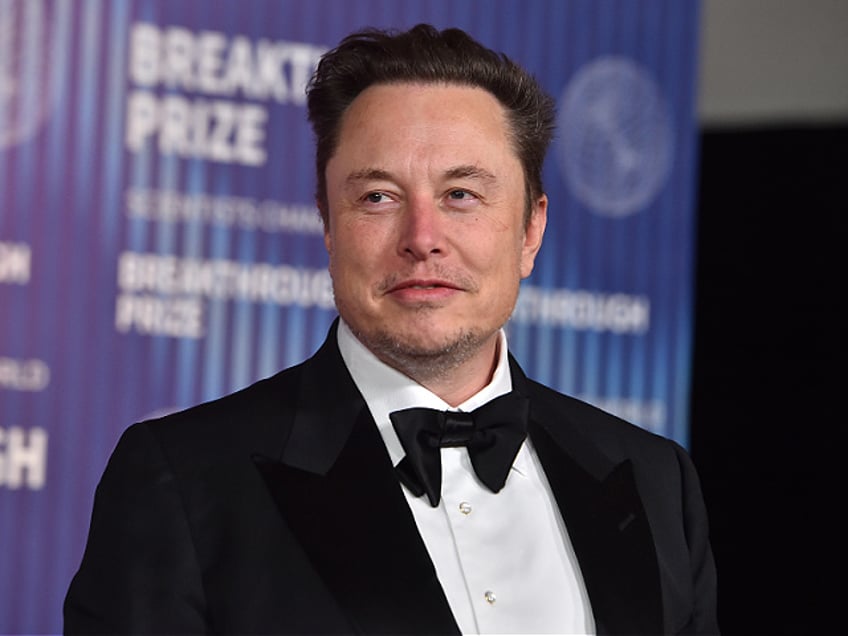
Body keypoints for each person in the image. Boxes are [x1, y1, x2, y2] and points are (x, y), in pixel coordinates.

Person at [65, 24, 718, 635]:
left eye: (462, 194)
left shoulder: (657, 480)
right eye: (378, 196)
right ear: (327, 222)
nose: (422, 239)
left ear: (530, 230)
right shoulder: (182, 483)